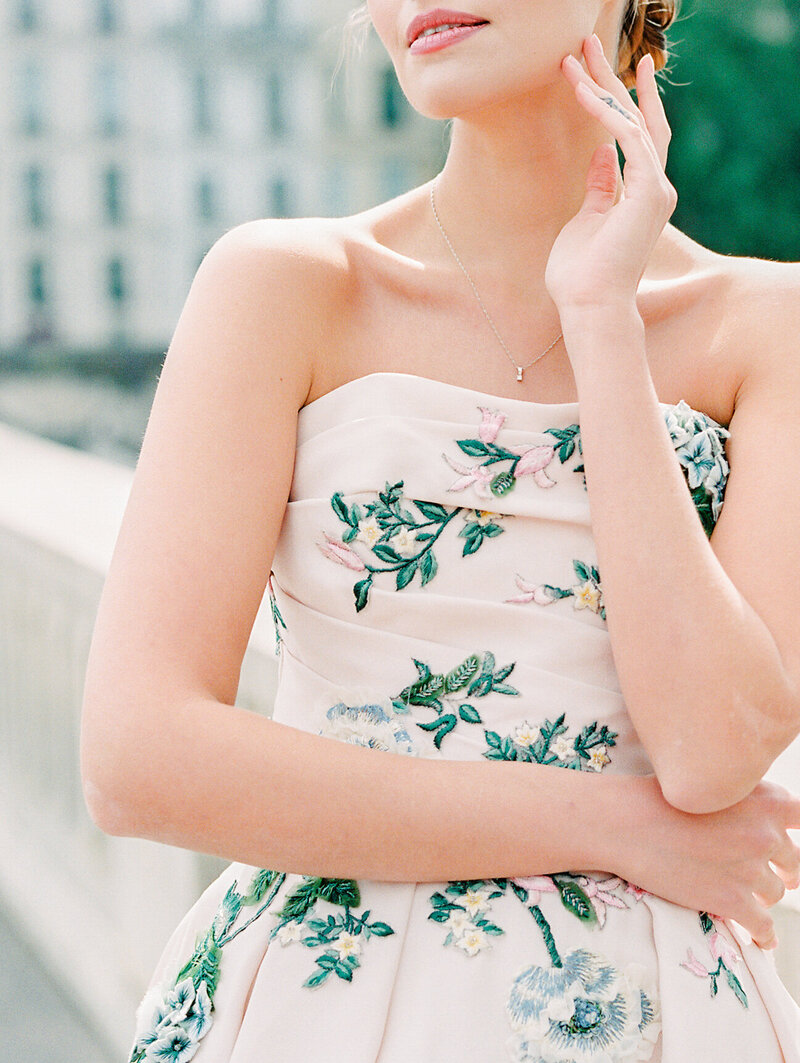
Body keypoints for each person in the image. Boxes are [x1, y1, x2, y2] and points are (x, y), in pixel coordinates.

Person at [80, 1, 800, 1060]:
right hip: (323, 1007)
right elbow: (136, 756)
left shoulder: (763, 326)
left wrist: (599, 319)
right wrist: (610, 826)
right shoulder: (286, 287)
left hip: (655, 1016)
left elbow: (710, 752)